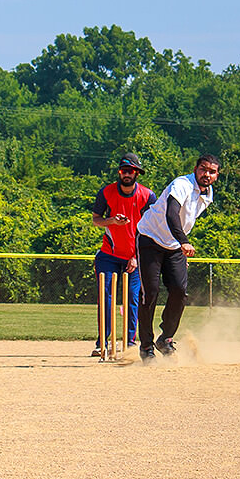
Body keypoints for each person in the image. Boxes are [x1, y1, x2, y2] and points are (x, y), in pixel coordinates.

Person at [136, 154, 220, 362]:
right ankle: (146, 346)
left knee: (180, 291)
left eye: (212, 171)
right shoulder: (181, 184)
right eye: (203, 169)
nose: (206, 174)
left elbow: (187, 218)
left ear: (217, 175)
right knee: (150, 292)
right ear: (195, 169)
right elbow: (172, 214)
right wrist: (183, 241)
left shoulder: (208, 195)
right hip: (150, 238)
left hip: (174, 245)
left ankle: (165, 339)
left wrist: (180, 244)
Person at [89, 153, 155, 356]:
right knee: (106, 297)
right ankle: (103, 342)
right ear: (119, 172)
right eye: (124, 171)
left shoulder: (147, 195)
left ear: (137, 173)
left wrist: (136, 255)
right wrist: (112, 221)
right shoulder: (107, 192)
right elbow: (96, 220)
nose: (127, 174)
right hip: (109, 254)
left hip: (136, 256)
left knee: (133, 298)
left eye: (131, 171)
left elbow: (152, 228)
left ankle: (130, 342)